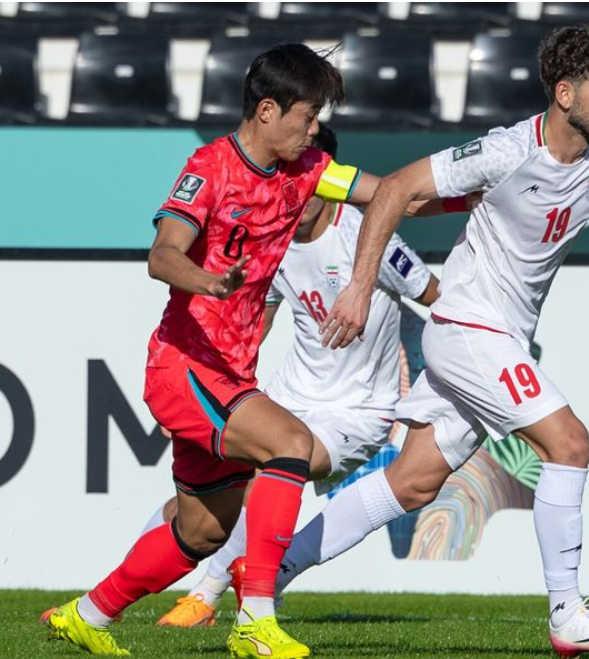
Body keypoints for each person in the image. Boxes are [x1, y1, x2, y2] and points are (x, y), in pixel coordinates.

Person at [317, 23, 589, 659]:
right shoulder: (506, 150)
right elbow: (401, 191)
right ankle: (566, 614)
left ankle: (268, 573)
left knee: (410, 484)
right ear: (564, 92)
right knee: (570, 442)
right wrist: (359, 286)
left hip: (502, 338)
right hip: (468, 327)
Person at [43, 44, 460, 659]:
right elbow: (162, 254)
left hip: (230, 374)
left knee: (201, 532)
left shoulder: (313, 170)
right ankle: (256, 619)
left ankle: (89, 613)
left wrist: (481, 189)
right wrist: (207, 280)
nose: (315, 128)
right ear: (267, 110)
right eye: (307, 115)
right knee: (290, 445)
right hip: (185, 367)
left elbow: (395, 194)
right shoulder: (209, 168)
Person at [147, 124, 442, 628]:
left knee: (272, 469)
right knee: (198, 500)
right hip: (289, 394)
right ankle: (104, 597)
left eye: (307, 181)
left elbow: (436, 297)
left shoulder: (365, 238)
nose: (294, 191)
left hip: (358, 408)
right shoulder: (274, 236)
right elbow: (258, 320)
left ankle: (207, 595)